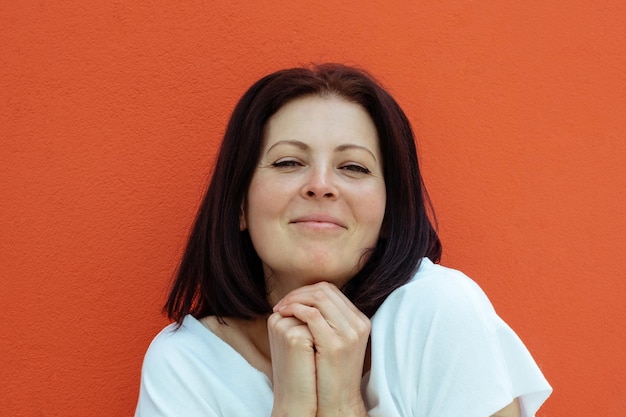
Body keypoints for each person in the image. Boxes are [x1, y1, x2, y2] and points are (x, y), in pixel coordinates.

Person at [135, 63, 551, 417]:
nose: (320, 185)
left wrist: (342, 404)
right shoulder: (184, 365)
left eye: (353, 167)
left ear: (390, 213)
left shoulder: (440, 310)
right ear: (239, 205)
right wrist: (293, 406)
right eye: (288, 162)